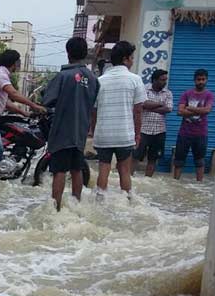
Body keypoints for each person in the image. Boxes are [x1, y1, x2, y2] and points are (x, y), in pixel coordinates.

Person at [0, 50, 47, 188]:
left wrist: (24, 113)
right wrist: (34, 106)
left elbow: (6, 103)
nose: (19, 66)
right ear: (14, 64)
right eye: (18, 62)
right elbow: (13, 94)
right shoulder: (1, 75)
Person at [42, 37, 99, 211]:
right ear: (84, 54)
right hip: (80, 131)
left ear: (68, 53)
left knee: (59, 170)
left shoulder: (62, 76)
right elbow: (93, 104)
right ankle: (76, 205)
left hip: (62, 131)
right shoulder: (93, 78)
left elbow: (47, 100)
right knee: (77, 168)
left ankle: (56, 208)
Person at [89, 40, 146, 201]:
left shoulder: (100, 81)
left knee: (103, 169)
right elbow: (138, 111)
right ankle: (127, 204)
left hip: (104, 133)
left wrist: (94, 130)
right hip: (124, 134)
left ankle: (99, 202)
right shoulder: (135, 79)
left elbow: (93, 110)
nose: (133, 61)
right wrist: (137, 134)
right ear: (126, 59)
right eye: (132, 58)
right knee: (124, 170)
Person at [174, 68, 214, 182]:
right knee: (179, 161)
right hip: (184, 133)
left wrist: (190, 108)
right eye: (198, 79)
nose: (201, 82)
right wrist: (199, 110)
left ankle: (199, 184)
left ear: (206, 80)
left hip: (201, 133)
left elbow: (207, 110)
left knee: (200, 161)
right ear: (194, 80)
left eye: (203, 79)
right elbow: (180, 111)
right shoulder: (186, 94)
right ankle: (176, 182)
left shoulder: (209, 95)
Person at [135, 69, 173, 177]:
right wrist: (160, 104)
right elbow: (143, 103)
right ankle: (130, 179)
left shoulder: (168, 93)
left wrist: (149, 107)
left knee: (153, 158)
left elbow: (169, 108)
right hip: (143, 130)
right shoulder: (144, 89)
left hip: (159, 131)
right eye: (162, 80)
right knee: (135, 156)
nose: (164, 82)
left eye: (165, 80)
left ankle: (148, 180)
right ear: (155, 80)